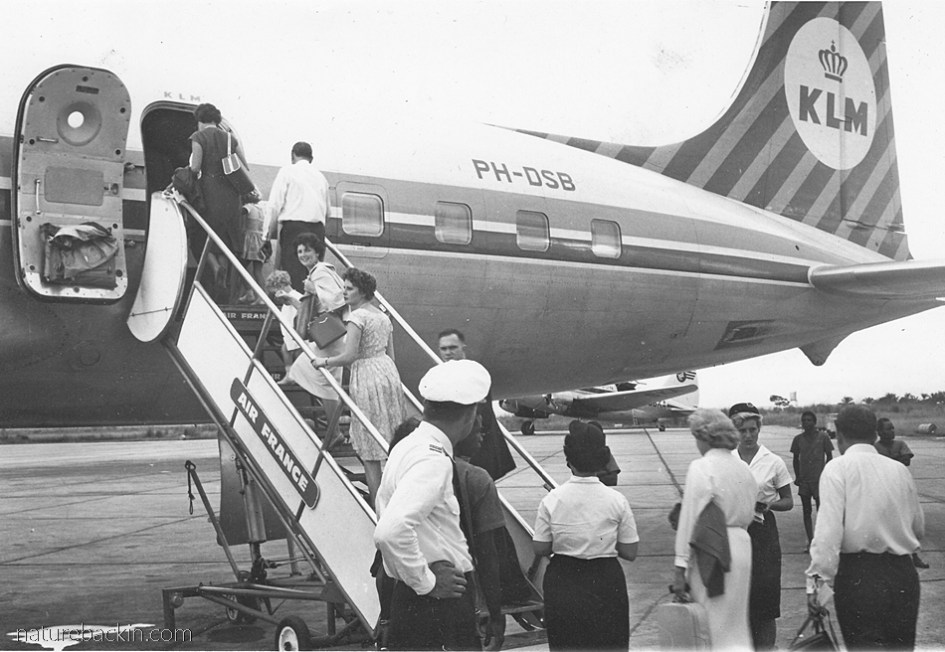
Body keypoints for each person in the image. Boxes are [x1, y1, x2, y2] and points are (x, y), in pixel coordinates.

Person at [374, 359, 492, 651]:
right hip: (436, 607)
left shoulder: (408, 446)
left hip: (414, 601)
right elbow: (389, 531)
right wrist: (427, 582)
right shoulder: (432, 460)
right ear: (469, 414)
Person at [806, 405, 925, 650]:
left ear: (839, 435)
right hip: (903, 575)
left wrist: (817, 585)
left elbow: (828, 534)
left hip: (859, 577)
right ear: (874, 435)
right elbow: (918, 528)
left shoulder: (837, 468)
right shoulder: (900, 470)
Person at [532, 420, 638, 651]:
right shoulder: (617, 500)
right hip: (606, 580)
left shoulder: (552, 499)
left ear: (568, 459)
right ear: (603, 460)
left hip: (564, 580)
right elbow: (630, 552)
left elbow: (540, 548)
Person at [313, 268, 404, 504]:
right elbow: (390, 355)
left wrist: (323, 361)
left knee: (370, 452)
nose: (344, 292)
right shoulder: (383, 316)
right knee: (390, 440)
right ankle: (397, 499)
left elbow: (349, 356)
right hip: (387, 374)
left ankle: (378, 507)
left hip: (366, 376)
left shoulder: (357, 317)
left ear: (362, 292)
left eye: (349, 288)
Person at [672, 408, 755, 651]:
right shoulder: (743, 469)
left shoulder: (702, 466)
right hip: (742, 547)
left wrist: (680, 569)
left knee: (711, 625)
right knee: (736, 624)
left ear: (705, 437)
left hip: (712, 547)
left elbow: (690, 519)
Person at [730, 402, 793, 650]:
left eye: (752, 430)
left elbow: (788, 500)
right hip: (734, 532)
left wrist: (769, 505)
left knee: (765, 603)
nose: (747, 435)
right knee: (736, 602)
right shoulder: (726, 460)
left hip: (763, 534)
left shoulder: (773, 461)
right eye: (742, 430)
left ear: (759, 429)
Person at [284, 234, 346, 433]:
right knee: (323, 381)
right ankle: (334, 429)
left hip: (329, 336)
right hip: (330, 335)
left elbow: (336, 300)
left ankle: (334, 431)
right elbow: (315, 307)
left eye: (307, 250)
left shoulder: (319, 272)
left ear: (317, 252)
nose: (303, 255)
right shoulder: (319, 271)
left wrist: (313, 289)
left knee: (324, 383)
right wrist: (294, 301)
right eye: (300, 251)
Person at [437, 329, 516, 480]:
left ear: (463, 348)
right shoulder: (443, 374)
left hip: (478, 447)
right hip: (460, 449)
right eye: (443, 349)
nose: (448, 352)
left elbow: (481, 415)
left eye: (453, 347)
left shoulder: (475, 373)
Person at [188, 103, 246, 297]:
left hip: (210, 194)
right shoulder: (231, 139)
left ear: (200, 120)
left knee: (200, 237)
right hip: (231, 198)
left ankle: (213, 267)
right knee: (225, 240)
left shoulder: (198, 137)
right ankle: (221, 280)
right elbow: (244, 165)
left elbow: (195, 167)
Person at [266, 141, 331, 292]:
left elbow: (274, 205)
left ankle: (294, 310)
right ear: (311, 158)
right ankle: (309, 309)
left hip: (294, 229)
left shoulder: (287, 171)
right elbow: (328, 213)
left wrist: (266, 236)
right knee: (313, 274)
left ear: (292, 156)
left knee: (293, 273)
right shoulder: (321, 178)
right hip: (317, 230)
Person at [874, 418, 929, 568]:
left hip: (900, 489)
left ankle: (914, 556)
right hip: (882, 491)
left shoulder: (900, 444)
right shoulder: (874, 448)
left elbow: (907, 460)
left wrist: (887, 461)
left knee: (907, 523)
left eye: (892, 428)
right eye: (888, 428)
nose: (892, 431)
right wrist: (896, 460)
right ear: (879, 432)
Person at [790, 411, 833, 551]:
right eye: (804, 420)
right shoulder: (798, 439)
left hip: (819, 480)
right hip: (804, 480)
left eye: (809, 420)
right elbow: (796, 459)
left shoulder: (823, 437)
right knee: (806, 511)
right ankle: (810, 541)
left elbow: (829, 456)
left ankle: (822, 541)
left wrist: (826, 474)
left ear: (814, 422)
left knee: (821, 512)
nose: (806, 422)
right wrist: (797, 477)